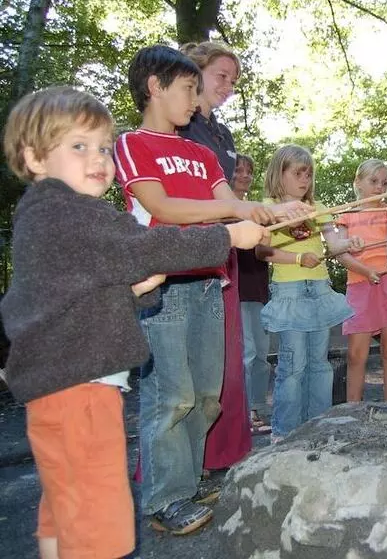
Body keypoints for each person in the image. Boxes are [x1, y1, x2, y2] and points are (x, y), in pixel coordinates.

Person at [1, 86, 269, 556]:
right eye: (79, 146)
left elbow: (70, 294)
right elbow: (145, 246)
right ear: (34, 157)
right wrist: (227, 236)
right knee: (100, 516)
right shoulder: (69, 211)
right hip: (80, 391)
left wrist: (130, 289)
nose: (99, 158)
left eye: (104, 147)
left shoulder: (50, 217)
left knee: (65, 505)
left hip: (60, 388)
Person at [114, 45, 311, 535]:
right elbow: (166, 207)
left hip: (208, 281)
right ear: (155, 87)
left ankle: (189, 480)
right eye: (188, 87)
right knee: (170, 396)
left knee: (205, 396)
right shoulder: (131, 143)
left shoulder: (201, 153)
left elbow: (229, 201)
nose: (196, 96)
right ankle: (164, 500)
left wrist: (270, 211)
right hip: (163, 285)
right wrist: (232, 220)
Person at [178, 40, 252, 472]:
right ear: (195, 70)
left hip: (225, 248)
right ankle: (182, 464)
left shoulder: (221, 133)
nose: (228, 86)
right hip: (191, 250)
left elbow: (228, 197)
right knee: (190, 360)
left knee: (225, 357)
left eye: (233, 80)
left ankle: (221, 454)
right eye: (221, 75)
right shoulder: (180, 127)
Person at [256, 144, 362, 440]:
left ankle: (318, 427)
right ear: (280, 174)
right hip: (290, 292)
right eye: (298, 173)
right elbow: (261, 251)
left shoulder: (317, 209)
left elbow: (334, 244)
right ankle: (285, 433)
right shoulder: (268, 208)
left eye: (308, 174)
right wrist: (298, 259)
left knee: (319, 364)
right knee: (293, 365)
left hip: (319, 289)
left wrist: (349, 244)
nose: (305, 180)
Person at [336, 159, 387, 401]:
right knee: (355, 354)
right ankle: (352, 409)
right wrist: (365, 270)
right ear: (358, 183)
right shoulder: (345, 217)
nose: (380, 187)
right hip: (361, 284)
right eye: (373, 181)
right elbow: (340, 253)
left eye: (385, 182)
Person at [232, 154, 272, 432]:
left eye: (250, 171)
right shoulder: (217, 210)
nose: (245, 175)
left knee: (260, 354)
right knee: (246, 354)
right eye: (239, 170)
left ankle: (256, 407)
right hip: (233, 291)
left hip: (257, 291)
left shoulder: (256, 212)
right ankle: (244, 413)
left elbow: (266, 252)